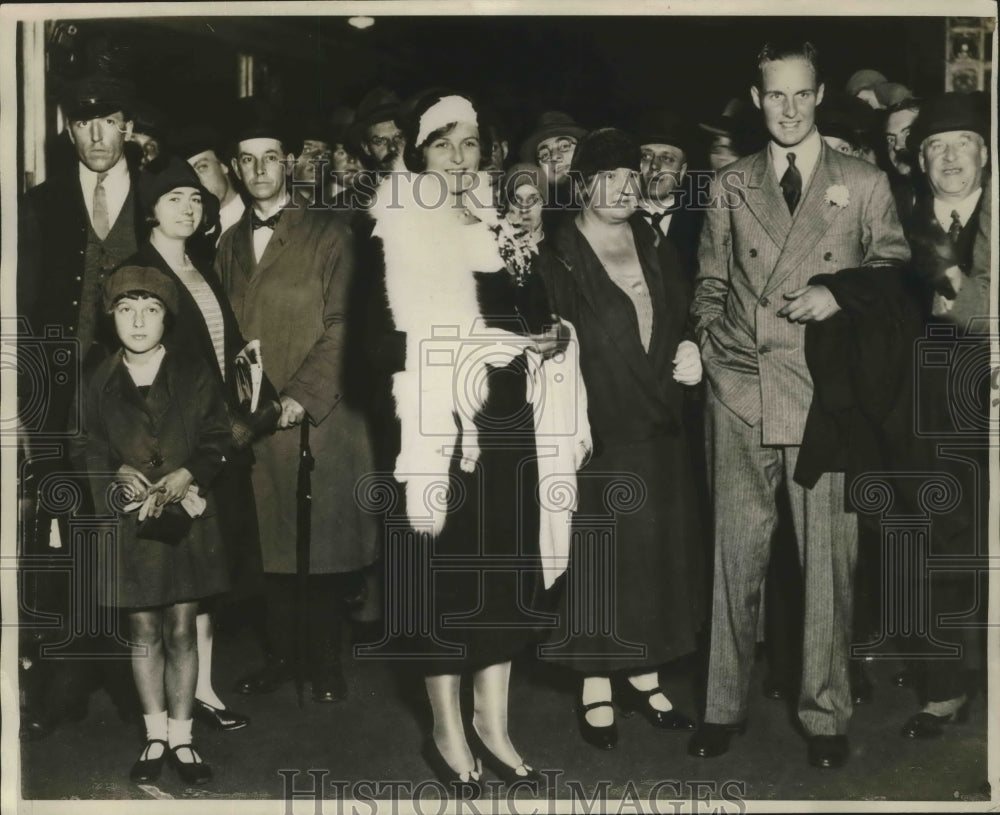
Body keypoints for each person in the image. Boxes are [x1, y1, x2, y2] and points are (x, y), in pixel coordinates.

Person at [688, 40, 909, 769]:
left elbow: (895, 275)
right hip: (739, 386)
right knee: (733, 555)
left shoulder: (863, 180)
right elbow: (711, 281)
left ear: (818, 98)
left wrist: (837, 292)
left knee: (828, 563)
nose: (787, 109)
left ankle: (825, 712)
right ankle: (721, 704)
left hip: (824, 396)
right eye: (773, 95)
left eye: (799, 95)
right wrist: (707, 342)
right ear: (757, 100)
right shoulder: (729, 184)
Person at [367, 89, 567, 795]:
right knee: (443, 581)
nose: (458, 157)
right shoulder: (394, 224)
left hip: (506, 428)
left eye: (469, 143)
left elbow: (534, 312)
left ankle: (494, 723)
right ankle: (448, 731)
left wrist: (544, 336)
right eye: (442, 143)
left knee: (503, 576)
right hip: (436, 433)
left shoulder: (494, 220)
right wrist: (464, 350)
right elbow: (372, 347)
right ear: (418, 153)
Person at [537, 128, 703, 750]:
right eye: (607, 178)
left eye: (631, 177)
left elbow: (685, 314)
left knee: (655, 557)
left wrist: (694, 351)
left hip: (660, 426)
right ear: (581, 184)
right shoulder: (558, 252)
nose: (623, 188)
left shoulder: (655, 241)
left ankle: (645, 671)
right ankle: (597, 685)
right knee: (599, 559)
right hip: (596, 430)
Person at [216, 123, 378, 704]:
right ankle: (282, 658)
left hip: (321, 413)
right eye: (246, 159)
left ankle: (326, 663)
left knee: (324, 544)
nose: (259, 170)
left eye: (269, 158)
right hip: (255, 416)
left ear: (288, 164)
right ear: (236, 170)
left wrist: (299, 397)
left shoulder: (332, 232)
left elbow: (344, 327)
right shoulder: (227, 240)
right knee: (273, 542)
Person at [121, 155, 272, 732]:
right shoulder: (142, 270)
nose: (187, 209)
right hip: (171, 446)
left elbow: (227, 348)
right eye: (172, 200)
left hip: (213, 441)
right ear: (150, 210)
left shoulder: (200, 267)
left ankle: (201, 690)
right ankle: (163, 718)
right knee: (169, 584)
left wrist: (257, 400)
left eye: (195, 200)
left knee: (207, 577)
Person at [17, 71, 145, 738]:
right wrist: (36, 421)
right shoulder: (40, 206)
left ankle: (137, 683)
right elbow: (30, 317)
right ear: (68, 129)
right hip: (63, 406)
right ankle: (69, 676)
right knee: (72, 538)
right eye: (83, 122)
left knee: (136, 534)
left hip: (143, 402)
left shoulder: (159, 199)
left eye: (109, 119)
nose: (97, 134)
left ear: (127, 124)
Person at [72, 265, 232, 784]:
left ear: (168, 318)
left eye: (151, 309)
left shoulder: (195, 371)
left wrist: (190, 472)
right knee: (142, 629)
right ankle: (154, 734)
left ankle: (183, 739)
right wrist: (113, 471)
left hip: (186, 517)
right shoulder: (97, 378)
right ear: (110, 317)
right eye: (125, 309)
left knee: (182, 628)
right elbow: (85, 443)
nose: (138, 321)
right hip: (128, 522)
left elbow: (218, 437)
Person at [893, 92, 991, 737]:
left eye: (964, 144)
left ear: (986, 154)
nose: (950, 157)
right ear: (920, 159)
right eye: (937, 146)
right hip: (926, 412)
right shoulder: (900, 221)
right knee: (939, 548)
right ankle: (946, 686)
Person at [635, 109, 703, 284]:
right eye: (646, 156)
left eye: (667, 159)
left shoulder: (702, 223)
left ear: (681, 172)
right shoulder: (616, 219)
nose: (654, 166)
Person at [174, 124, 247, 244]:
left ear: (224, 166)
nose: (196, 180)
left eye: (202, 167)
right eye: (190, 173)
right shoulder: (190, 234)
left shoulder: (259, 215)